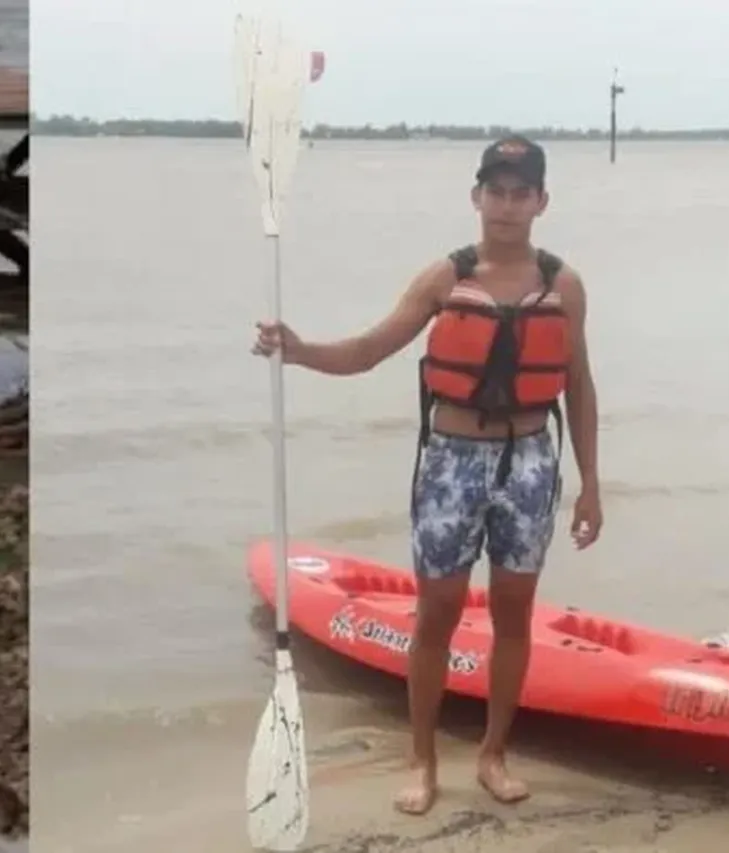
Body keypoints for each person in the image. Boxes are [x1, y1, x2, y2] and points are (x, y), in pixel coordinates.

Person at [250, 135, 602, 815]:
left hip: (530, 463)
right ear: (476, 197)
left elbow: (580, 385)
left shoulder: (564, 285)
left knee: (513, 614)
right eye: (495, 191)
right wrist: (298, 351)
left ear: (541, 201)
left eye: (520, 192)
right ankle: (422, 757)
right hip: (451, 463)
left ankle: (494, 754)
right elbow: (369, 349)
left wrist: (591, 482)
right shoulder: (444, 278)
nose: (506, 205)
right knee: (437, 612)